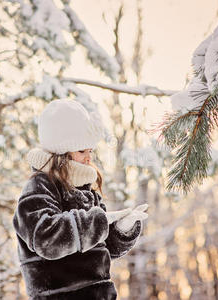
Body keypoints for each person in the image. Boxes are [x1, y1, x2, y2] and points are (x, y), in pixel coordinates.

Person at [12, 99, 148, 299]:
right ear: (61, 152)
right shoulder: (39, 187)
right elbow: (45, 238)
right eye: (81, 151)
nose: (88, 158)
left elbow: (105, 247)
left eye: (90, 150)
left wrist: (121, 229)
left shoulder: (85, 189)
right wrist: (98, 221)